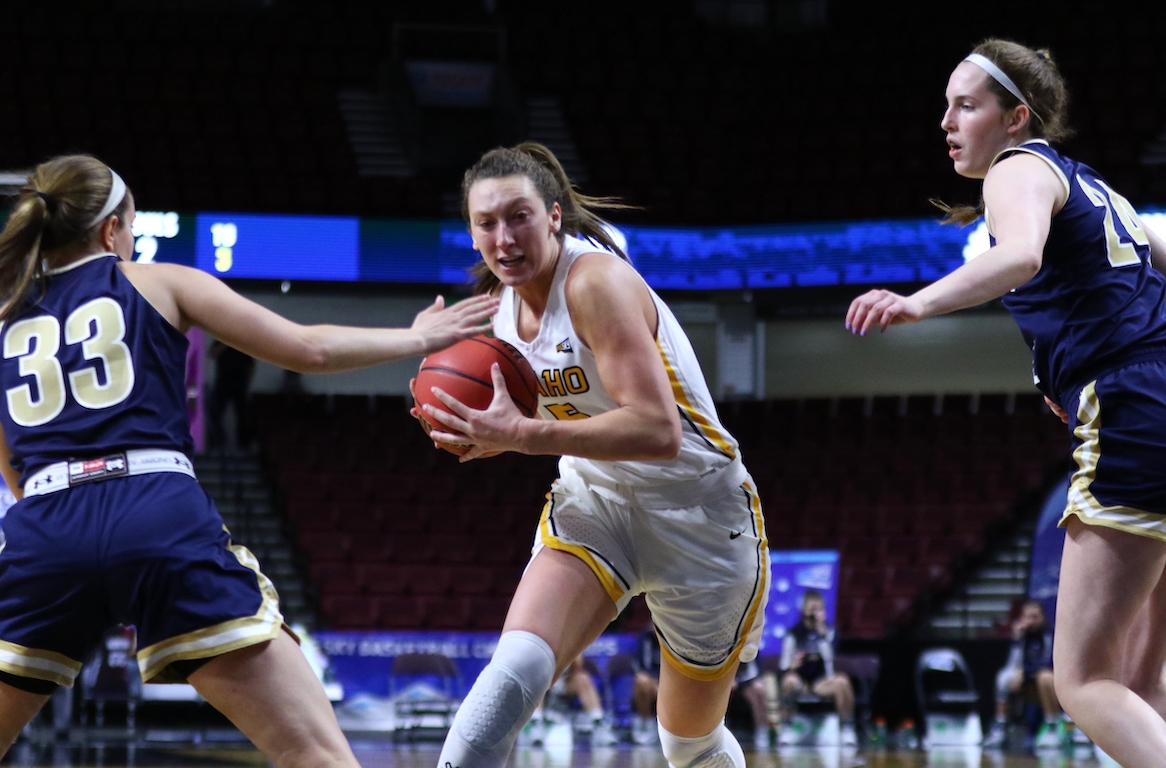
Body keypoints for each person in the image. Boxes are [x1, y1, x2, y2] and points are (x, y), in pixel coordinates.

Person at [0, 154, 499, 765]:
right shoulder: (161, 281)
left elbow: (14, 470)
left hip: (47, 525)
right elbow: (308, 349)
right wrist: (419, 337)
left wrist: (71, 533)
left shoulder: (5, 319)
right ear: (110, 231)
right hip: (154, 512)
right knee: (315, 753)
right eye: (130, 226)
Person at [845, 39, 1166, 768]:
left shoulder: (1017, 168)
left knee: (1083, 682)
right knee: (1139, 678)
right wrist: (1111, 366)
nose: (946, 122)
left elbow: (1021, 256)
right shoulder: (1096, 186)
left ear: (1015, 117)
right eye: (946, 106)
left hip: (1142, 406)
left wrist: (917, 304)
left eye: (965, 105)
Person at [420, 142, 770, 768]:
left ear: (554, 215)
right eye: (486, 223)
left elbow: (659, 431)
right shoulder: (503, 314)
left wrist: (523, 436)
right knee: (509, 680)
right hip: (597, 500)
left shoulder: (595, 283)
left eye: (519, 216)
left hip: (700, 514)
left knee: (689, 745)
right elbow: (544, 420)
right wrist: (474, 429)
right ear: (470, 233)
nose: (504, 238)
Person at [778, 590, 857, 746]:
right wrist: (792, 665)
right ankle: (786, 728)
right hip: (800, 680)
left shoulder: (829, 632)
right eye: (811, 609)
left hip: (821, 680)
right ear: (803, 610)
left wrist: (821, 634)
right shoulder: (793, 634)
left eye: (818, 609)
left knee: (842, 682)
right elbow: (783, 665)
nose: (815, 613)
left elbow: (830, 657)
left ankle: (847, 728)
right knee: (788, 682)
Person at [985, 600, 1061, 749]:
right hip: (1028, 680)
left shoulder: (1049, 634)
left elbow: (1048, 662)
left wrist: (1025, 672)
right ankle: (1000, 726)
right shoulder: (1022, 636)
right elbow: (1012, 664)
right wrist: (1017, 640)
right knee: (1003, 677)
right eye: (1028, 617)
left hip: (1050, 682)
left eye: (1035, 617)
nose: (1031, 621)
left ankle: (1052, 726)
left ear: (1043, 618)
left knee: (1044, 677)